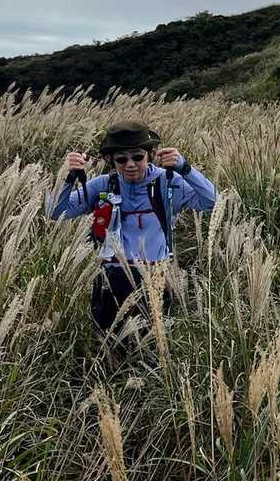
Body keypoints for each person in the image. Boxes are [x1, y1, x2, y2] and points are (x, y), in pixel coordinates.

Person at [50, 119, 218, 333]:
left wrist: (185, 169)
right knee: (109, 345)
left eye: (138, 157)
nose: (130, 164)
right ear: (111, 160)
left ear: (150, 154)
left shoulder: (168, 181)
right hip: (111, 280)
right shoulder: (103, 185)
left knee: (152, 348)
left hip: (155, 278)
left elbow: (213, 203)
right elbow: (55, 213)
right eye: (121, 159)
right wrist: (68, 177)